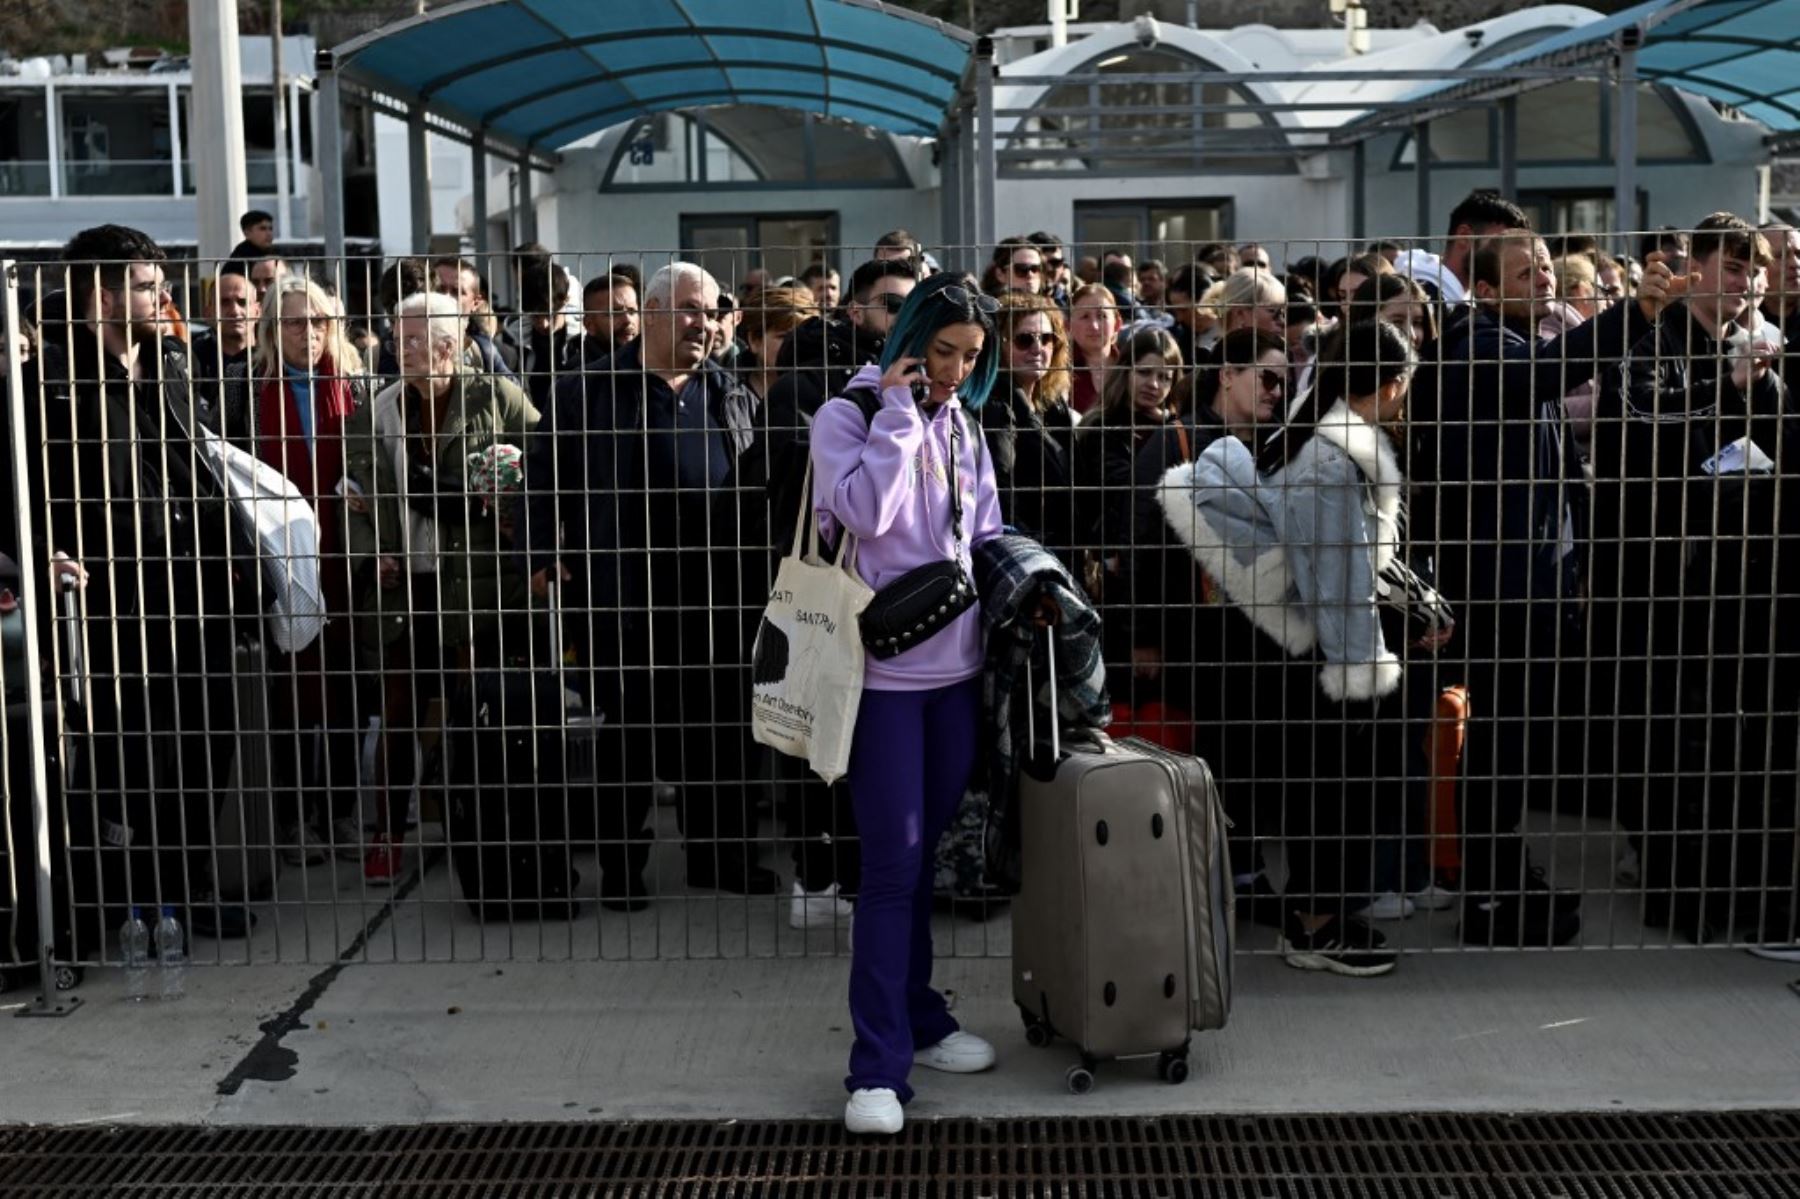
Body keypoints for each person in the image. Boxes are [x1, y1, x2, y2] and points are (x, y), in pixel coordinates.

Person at [1433, 231, 1688, 948]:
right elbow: (1552, 373)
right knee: (1501, 741)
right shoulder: (1480, 348)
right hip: (1503, 587)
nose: (1543, 276)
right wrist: (1632, 312)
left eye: (1546, 264)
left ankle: (1499, 871)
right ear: (1483, 289)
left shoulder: (1516, 343)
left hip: (1536, 578)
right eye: (1524, 270)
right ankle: (1489, 887)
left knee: (1512, 740)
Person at [810, 273, 1005, 1135]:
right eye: (944, 352)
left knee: (922, 865)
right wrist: (898, 415)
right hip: (879, 681)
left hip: (955, 675)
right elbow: (862, 508)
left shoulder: (962, 420)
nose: (957, 371)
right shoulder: (847, 416)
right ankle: (876, 1068)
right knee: (890, 868)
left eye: (971, 356)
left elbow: (985, 530)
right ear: (909, 342)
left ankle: (921, 1020)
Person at [21, 224, 250, 938]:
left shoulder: (172, 364)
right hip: (115, 601)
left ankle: (189, 886)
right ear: (102, 295)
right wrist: (43, 554)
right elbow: (24, 486)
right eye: (148, 286)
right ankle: (127, 899)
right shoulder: (53, 379)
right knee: (127, 751)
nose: (165, 296)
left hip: (200, 587)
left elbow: (201, 466)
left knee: (205, 739)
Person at [523, 263, 775, 898]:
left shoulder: (729, 393)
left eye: (714, 312)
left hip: (716, 600)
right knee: (628, 740)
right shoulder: (588, 391)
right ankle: (621, 869)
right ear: (655, 312)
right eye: (692, 309)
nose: (704, 323)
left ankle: (722, 859)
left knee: (719, 737)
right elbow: (541, 482)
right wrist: (541, 557)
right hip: (621, 598)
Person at [1590, 214, 1795, 956]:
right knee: (1670, 739)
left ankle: (1736, 885)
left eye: (1758, 272)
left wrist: (1760, 391)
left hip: (1746, 577)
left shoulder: (1763, 344)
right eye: (1735, 269)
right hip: (1661, 579)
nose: (1749, 285)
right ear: (1695, 270)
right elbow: (1641, 451)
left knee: (1740, 741)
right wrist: (1726, 394)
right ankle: (1682, 892)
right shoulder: (1654, 347)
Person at [343, 290, 540, 885]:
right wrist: (368, 551)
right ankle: (388, 835)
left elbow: (545, 462)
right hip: (406, 583)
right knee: (400, 710)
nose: (398, 350)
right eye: (396, 338)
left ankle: (481, 826)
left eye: (411, 340)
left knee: (474, 705)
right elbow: (351, 496)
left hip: (477, 582)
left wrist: (508, 495)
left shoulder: (495, 398)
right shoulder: (378, 409)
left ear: (450, 346)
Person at [1135, 328, 1289, 925]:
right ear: (1227, 374)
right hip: (1193, 635)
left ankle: (1245, 872)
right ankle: (1212, 881)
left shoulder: (1278, 445)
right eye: (1267, 378)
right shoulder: (1175, 439)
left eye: (1285, 381)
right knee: (1209, 758)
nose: (1277, 392)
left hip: (1262, 637)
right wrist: (1143, 636)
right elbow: (1141, 545)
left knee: (1251, 760)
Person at [217, 276, 369, 868]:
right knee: (285, 694)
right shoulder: (249, 391)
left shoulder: (354, 389)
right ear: (273, 331)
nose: (310, 333)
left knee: (347, 689)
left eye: (320, 321)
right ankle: (291, 819)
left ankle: (339, 811)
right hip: (277, 563)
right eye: (295, 323)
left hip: (344, 560)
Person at [1074, 327, 1183, 697]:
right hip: (1114, 580)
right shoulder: (1101, 429)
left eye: (1165, 376)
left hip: (1169, 582)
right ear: (1126, 371)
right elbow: (1129, 500)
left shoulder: (1176, 432)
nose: (1154, 384)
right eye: (1145, 372)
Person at [983, 293, 1077, 557]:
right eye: (1024, 340)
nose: (1038, 348)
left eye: (1046, 338)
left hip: (1062, 548)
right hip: (1029, 553)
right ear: (1000, 347)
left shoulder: (1054, 407)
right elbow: (1002, 495)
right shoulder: (995, 409)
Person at [1392, 189, 1533, 307]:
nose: (1508, 256)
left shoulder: (1461, 297)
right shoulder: (1425, 299)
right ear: (1464, 237)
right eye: (1499, 244)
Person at [188, 261, 260, 428]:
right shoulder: (191, 361)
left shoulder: (274, 358)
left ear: (257, 311)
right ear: (208, 313)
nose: (235, 311)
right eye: (224, 302)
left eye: (242, 302)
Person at [432, 256, 517, 378]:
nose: (446, 297)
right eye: (439, 290)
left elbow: (518, 395)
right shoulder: (402, 344)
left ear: (475, 303)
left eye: (456, 292)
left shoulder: (486, 352)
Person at [1067, 283, 1121, 416]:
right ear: (1068, 326)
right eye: (1085, 317)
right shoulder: (1058, 369)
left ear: (1117, 324)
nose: (1094, 326)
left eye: (1102, 316)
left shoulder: (1131, 367)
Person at [578, 272, 642, 365]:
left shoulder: (654, 364)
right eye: (615, 313)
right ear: (589, 325)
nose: (627, 320)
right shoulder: (578, 375)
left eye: (632, 311)